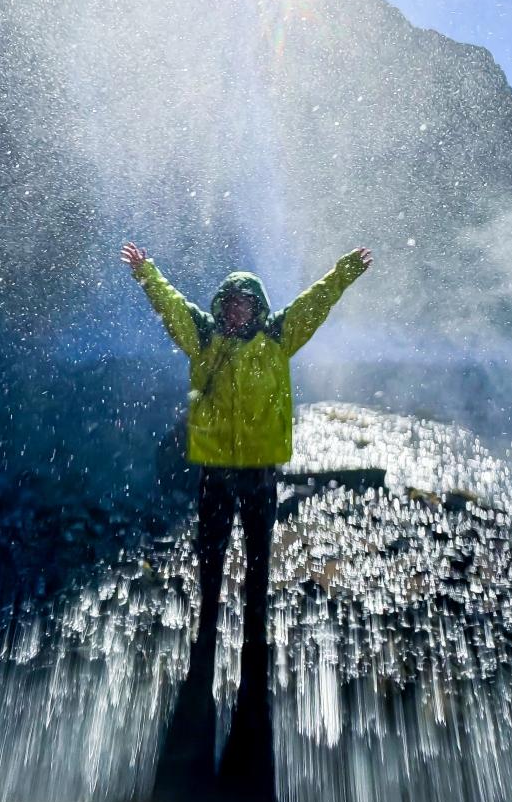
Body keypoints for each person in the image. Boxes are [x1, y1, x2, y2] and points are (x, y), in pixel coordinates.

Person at [121, 241, 373, 665]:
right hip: (216, 468)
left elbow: (314, 302)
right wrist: (146, 272)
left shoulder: (278, 337)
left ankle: (255, 630)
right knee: (211, 551)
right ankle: (207, 624)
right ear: (221, 307)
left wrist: (345, 271)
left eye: (244, 303)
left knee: (259, 554)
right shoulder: (203, 337)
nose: (236, 310)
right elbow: (171, 304)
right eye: (231, 303)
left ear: (257, 309)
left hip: (260, 469)